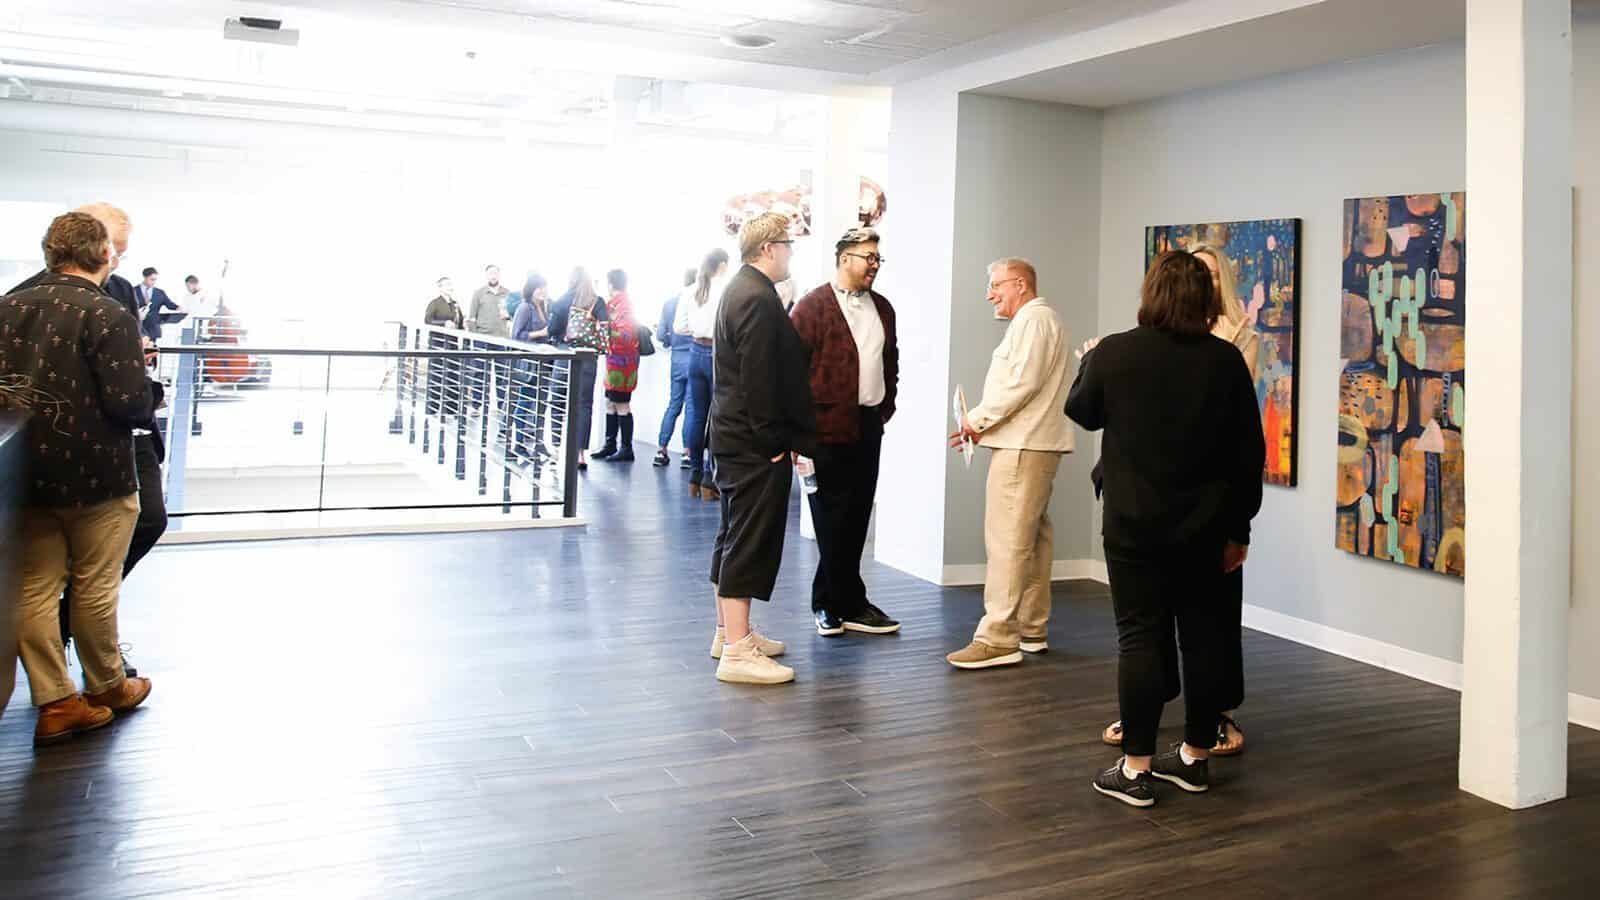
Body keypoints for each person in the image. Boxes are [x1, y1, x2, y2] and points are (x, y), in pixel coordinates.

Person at [1066, 250, 1264, 807]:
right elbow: (1249, 454)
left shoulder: (1115, 353)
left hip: (1133, 526)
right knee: (1203, 639)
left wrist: (1088, 361)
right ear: (1207, 299)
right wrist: (1239, 530)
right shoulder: (1225, 361)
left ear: (1149, 294)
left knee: (1140, 638)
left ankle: (1135, 770)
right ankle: (1195, 759)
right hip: (1207, 529)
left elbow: (1081, 410)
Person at [0, 212, 156, 745]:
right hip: (96, 474)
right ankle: (108, 686)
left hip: (24, 470)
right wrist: (149, 386)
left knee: (33, 588)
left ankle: (56, 701)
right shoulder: (107, 313)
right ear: (105, 255)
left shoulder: (9, 306)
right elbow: (128, 403)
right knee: (95, 585)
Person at [945, 258, 1074, 670]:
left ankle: (998, 636)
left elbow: (1022, 382)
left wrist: (976, 419)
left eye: (995, 285)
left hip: (1023, 447)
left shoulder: (1034, 322)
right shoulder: (1039, 321)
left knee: (1007, 542)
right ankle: (1030, 628)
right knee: (1031, 540)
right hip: (1030, 443)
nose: (989, 293)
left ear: (1020, 284)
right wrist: (982, 427)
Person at [706, 213, 816, 685]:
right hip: (752, 443)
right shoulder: (754, 296)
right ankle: (737, 650)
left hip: (736, 438)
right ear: (769, 248)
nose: (791, 252)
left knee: (735, 534)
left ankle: (730, 633)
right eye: (788, 244)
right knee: (748, 540)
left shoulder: (744, 290)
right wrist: (774, 441)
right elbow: (759, 380)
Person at [789, 227, 901, 638]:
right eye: (867, 256)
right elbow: (790, 373)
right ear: (843, 259)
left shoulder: (883, 308)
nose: (873, 264)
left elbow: (891, 360)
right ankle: (831, 602)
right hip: (823, 430)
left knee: (856, 517)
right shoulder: (811, 307)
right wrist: (797, 436)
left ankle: (847, 602)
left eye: (877, 258)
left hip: (868, 425)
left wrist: (885, 407)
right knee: (830, 520)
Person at [676, 248, 730, 499]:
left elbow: (679, 327)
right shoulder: (725, 289)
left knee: (697, 416)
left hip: (694, 352)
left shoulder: (691, 290)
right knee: (717, 417)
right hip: (716, 353)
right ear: (722, 265)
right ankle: (710, 477)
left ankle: (695, 476)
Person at [548, 266, 609, 468]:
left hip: (564, 354)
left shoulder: (563, 300)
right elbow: (606, 328)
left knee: (557, 399)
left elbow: (553, 329)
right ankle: (580, 454)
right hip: (588, 357)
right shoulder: (597, 301)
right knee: (584, 405)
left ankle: (556, 447)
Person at [592, 269, 640, 463]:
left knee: (621, 403)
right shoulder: (616, 303)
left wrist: (603, 330)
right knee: (610, 402)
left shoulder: (624, 305)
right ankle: (610, 444)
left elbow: (626, 335)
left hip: (623, 363)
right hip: (614, 361)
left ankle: (626, 448)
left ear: (611, 284)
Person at [653, 268, 697, 467]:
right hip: (696, 357)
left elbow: (661, 334)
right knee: (692, 408)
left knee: (673, 405)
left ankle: (661, 449)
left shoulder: (670, 303)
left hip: (676, 359)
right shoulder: (699, 303)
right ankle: (688, 453)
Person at [135, 266, 183, 342]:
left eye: (155, 280)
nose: (154, 282)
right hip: (137, 327)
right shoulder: (133, 291)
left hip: (153, 328)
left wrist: (179, 307)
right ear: (144, 277)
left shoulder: (160, 293)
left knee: (152, 351)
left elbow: (169, 304)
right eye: (152, 279)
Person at [467, 264, 510, 337]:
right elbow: (472, 318)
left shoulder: (507, 293)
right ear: (486, 276)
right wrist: (475, 336)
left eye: (495, 273)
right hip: (483, 337)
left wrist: (508, 316)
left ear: (499, 275)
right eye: (490, 273)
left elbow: (513, 316)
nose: (493, 276)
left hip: (502, 337)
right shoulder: (478, 293)